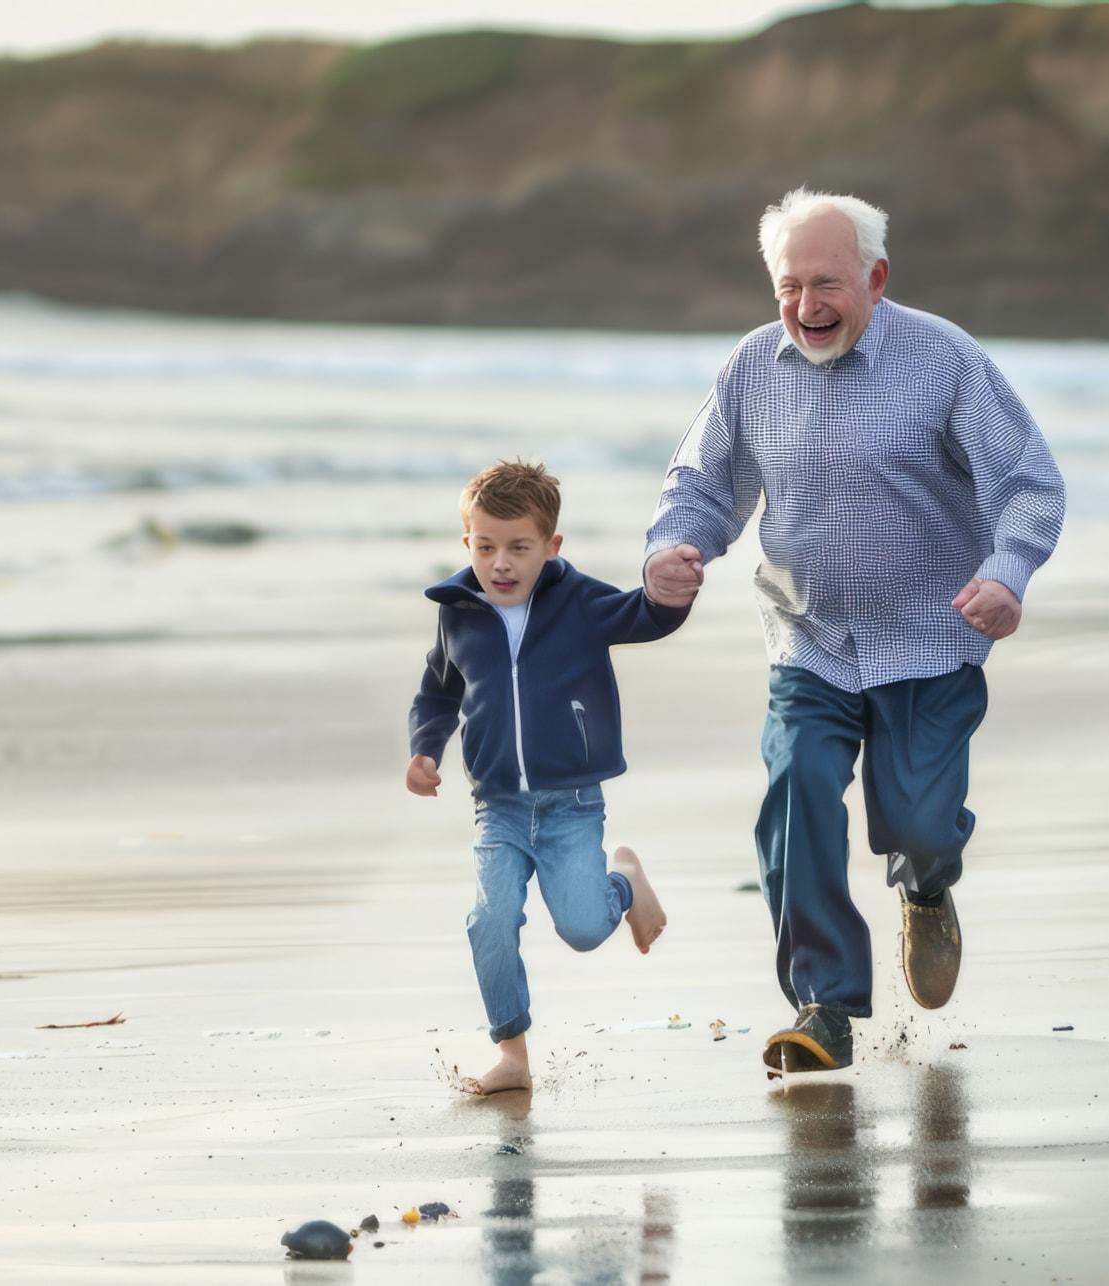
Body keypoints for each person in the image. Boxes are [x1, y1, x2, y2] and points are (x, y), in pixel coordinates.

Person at [643, 188, 1066, 1073]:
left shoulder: (945, 361)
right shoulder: (753, 370)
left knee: (918, 823)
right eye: (788, 288)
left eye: (826, 285)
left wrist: (1007, 572)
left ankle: (927, 885)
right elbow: (703, 483)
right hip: (811, 642)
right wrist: (674, 548)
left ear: (877, 277)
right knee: (795, 794)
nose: (806, 308)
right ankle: (823, 1003)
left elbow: (1028, 481)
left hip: (932, 640)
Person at [409, 459, 685, 1095]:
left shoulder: (579, 603)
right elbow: (436, 693)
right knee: (489, 920)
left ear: (551, 547)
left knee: (585, 930)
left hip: (570, 805)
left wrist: (672, 589)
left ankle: (626, 879)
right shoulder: (458, 612)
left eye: (518, 548)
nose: (500, 564)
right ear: (467, 544)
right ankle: (512, 1054)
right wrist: (425, 749)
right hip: (498, 807)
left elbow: (646, 617)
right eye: (485, 547)